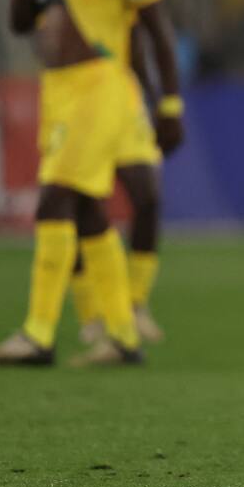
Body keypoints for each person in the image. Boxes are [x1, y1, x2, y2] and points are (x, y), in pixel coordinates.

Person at [0, 0, 185, 367]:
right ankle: (120, 333)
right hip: (59, 89)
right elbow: (19, 22)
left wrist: (169, 104)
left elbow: (157, 33)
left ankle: (39, 333)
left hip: (102, 85)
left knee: (56, 198)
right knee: (84, 207)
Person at [74, 22, 170, 346]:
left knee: (148, 198)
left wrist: (157, 102)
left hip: (125, 102)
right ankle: (91, 313)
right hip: (81, 100)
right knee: (79, 203)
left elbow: (138, 38)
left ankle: (136, 303)